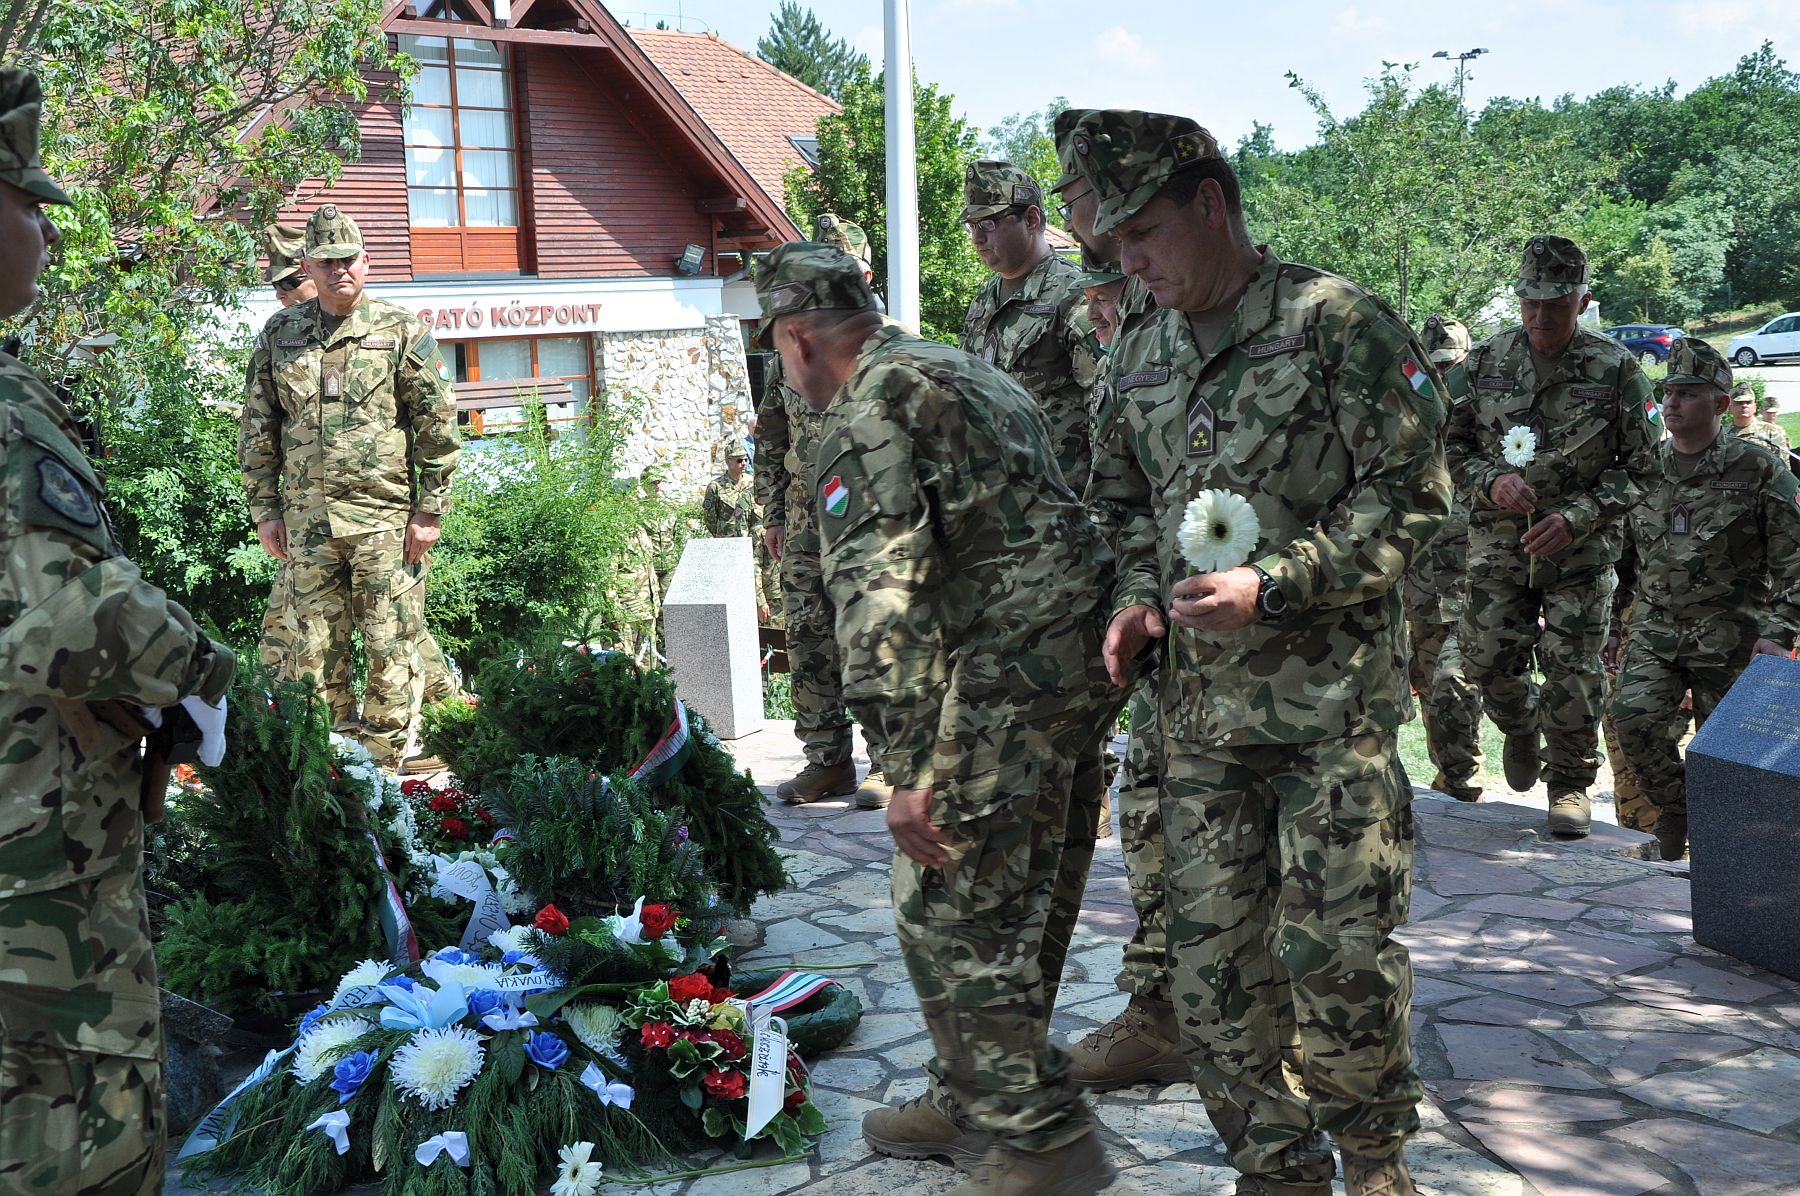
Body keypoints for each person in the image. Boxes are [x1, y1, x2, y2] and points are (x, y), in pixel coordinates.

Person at [1081, 108, 1448, 1196]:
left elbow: (1416, 495)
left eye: (1143, 234)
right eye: (1114, 249)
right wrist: (1137, 601)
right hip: (1195, 726)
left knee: (1341, 961)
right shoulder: (1137, 350)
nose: (1132, 265)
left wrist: (1276, 580)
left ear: (1211, 201)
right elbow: (1112, 501)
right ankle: (1276, 1169)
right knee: (1210, 977)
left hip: (1330, 718)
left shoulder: (1336, 322)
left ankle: (1376, 1164)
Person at [758, 242, 1120, 1195]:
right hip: (1081, 665)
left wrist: (911, 765)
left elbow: (880, 598)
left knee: (941, 910)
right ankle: (973, 1108)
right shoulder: (958, 365)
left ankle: (1041, 1145)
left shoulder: (862, 413)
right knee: (1027, 891)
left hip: (1008, 676)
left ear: (798, 338)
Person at [0, 67, 238, 1194]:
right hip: (34, 883)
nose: (45, 228)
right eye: (27, 201)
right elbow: (66, 610)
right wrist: (203, 672)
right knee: (73, 1144)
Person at [1049, 115, 1188, 1091]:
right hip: (1165, 635)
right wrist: (1136, 595)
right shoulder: (1134, 322)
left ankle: (1204, 1006)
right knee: (1147, 809)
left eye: (1081, 194)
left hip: (1278, 653)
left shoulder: (1271, 316)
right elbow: (1125, 492)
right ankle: (1162, 1004)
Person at [1445, 236, 1659, 837]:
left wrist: (1580, 516)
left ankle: (1568, 782)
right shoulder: (1483, 364)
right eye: (1531, 303)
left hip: (1580, 553)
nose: (1542, 317)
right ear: (1518, 299)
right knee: (1484, 658)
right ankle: (1519, 724)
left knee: (1574, 667)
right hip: (1498, 544)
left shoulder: (1616, 370)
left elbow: (1646, 468)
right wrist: (1490, 481)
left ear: (1582, 301)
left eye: (1557, 305)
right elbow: (1449, 445)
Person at [239, 204, 460, 768]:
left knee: (391, 645)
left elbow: (438, 424)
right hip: (307, 524)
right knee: (311, 651)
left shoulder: (401, 331)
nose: (339, 271)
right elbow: (260, 426)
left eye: (348, 259)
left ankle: (387, 769)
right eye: (325, 261)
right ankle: (332, 765)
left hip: (385, 521)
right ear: (307, 267)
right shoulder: (280, 334)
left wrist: (429, 510)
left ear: (367, 261)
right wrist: (265, 508)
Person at [1610, 339, 1800, 860]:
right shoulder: (1647, 466)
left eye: (1688, 394)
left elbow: (1796, 559)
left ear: (1719, 404)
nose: (1672, 403)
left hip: (1734, 637)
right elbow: (1626, 557)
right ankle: (1679, 808)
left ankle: (1733, 866)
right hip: (1656, 631)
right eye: (1669, 392)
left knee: (1732, 759)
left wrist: (1780, 630)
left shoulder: (1756, 467)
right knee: (1632, 718)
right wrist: (1612, 625)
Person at [757, 213, 892, 809]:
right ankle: (826, 760)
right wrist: (773, 514)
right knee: (809, 635)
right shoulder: (787, 347)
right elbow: (771, 431)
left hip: (868, 514)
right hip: (805, 513)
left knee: (875, 632)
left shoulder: (886, 345)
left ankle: (891, 762)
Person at [959, 160, 1102, 492]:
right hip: (995, 500)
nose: (977, 238)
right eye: (972, 225)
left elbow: (1104, 404)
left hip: (1057, 499)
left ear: (1032, 219)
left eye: (989, 223)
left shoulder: (1075, 293)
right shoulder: (984, 299)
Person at [1403, 316, 1484, 802]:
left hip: (1473, 591)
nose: (1442, 377)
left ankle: (1462, 779)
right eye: (1434, 368)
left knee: (1455, 689)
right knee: (1433, 694)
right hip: (1420, 593)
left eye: (1450, 365)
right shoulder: (1413, 427)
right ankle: (1452, 782)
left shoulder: (1485, 430)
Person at [700, 440, 772, 623]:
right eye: (739, 460)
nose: (744, 464)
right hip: (729, 548)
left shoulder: (752, 483)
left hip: (755, 546)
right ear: (728, 461)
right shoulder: (715, 487)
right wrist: (724, 535)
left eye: (745, 460)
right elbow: (710, 519)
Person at [1730, 382, 1791, 460]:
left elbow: (1784, 465)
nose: (1744, 405)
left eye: (1748, 402)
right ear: (1730, 407)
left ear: (1755, 407)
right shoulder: (1722, 434)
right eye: (1739, 403)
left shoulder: (1771, 431)